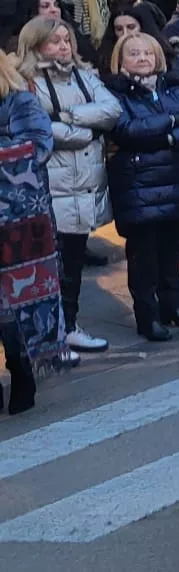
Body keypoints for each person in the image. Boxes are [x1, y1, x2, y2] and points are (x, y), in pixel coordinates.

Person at [17, 17, 120, 351]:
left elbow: (111, 110)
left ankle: (69, 326)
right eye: (54, 41)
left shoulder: (84, 75)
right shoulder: (25, 82)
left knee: (72, 265)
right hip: (50, 189)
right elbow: (37, 128)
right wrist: (84, 131)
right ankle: (50, 333)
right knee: (48, 269)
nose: (63, 46)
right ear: (36, 44)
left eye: (66, 40)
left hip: (84, 185)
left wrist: (67, 117)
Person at [103, 30, 179, 345]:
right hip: (138, 184)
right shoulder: (114, 93)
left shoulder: (173, 86)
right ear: (121, 60)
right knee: (143, 257)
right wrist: (171, 121)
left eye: (147, 52)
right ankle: (147, 316)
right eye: (134, 53)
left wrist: (168, 137)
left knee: (171, 252)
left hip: (175, 180)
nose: (143, 58)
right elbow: (127, 130)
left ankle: (173, 306)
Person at [0, 49, 54, 412]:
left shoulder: (19, 101)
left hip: (15, 216)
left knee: (12, 302)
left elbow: (39, 146)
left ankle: (20, 369)